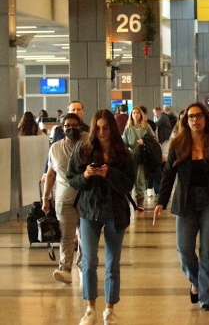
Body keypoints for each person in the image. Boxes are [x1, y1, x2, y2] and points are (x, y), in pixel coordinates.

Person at [153, 102, 209, 311]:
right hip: (186, 202)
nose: (195, 120)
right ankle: (198, 282)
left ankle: (207, 298)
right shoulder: (178, 145)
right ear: (186, 121)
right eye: (191, 117)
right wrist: (160, 202)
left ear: (205, 119)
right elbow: (168, 175)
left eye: (199, 116)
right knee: (184, 250)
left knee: (207, 251)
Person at [67, 109, 135, 325]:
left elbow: (128, 184)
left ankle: (109, 308)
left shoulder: (123, 152)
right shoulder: (84, 149)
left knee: (113, 263)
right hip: (89, 211)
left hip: (115, 212)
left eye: (106, 128)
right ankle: (90, 308)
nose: (102, 132)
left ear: (112, 128)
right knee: (88, 262)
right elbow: (72, 179)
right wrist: (86, 175)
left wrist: (109, 173)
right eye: (98, 128)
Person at [42, 113, 85, 284]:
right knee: (66, 236)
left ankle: (83, 265)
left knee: (84, 235)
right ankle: (65, 268)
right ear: (62, 127)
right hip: (64, 199)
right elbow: (51, 173)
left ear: (80, 126)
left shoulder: (87, 144)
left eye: (75, 125)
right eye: (67, 125)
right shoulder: (55, 148)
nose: (71, 128)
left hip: (85, 197)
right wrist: (46, 197)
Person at [122, 106, 156, 209]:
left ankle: (140, 202)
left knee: (140, 179)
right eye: (134, 113)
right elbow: (125, 142)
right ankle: (127, 202)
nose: (135, 115)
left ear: (141, 114)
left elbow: (153, 139)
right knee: (129, 177)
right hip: (131, 156)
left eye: (137, 113)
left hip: (142, 156)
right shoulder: (128, 127)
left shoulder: (146, 126)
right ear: (131, 115)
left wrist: (144, 142)